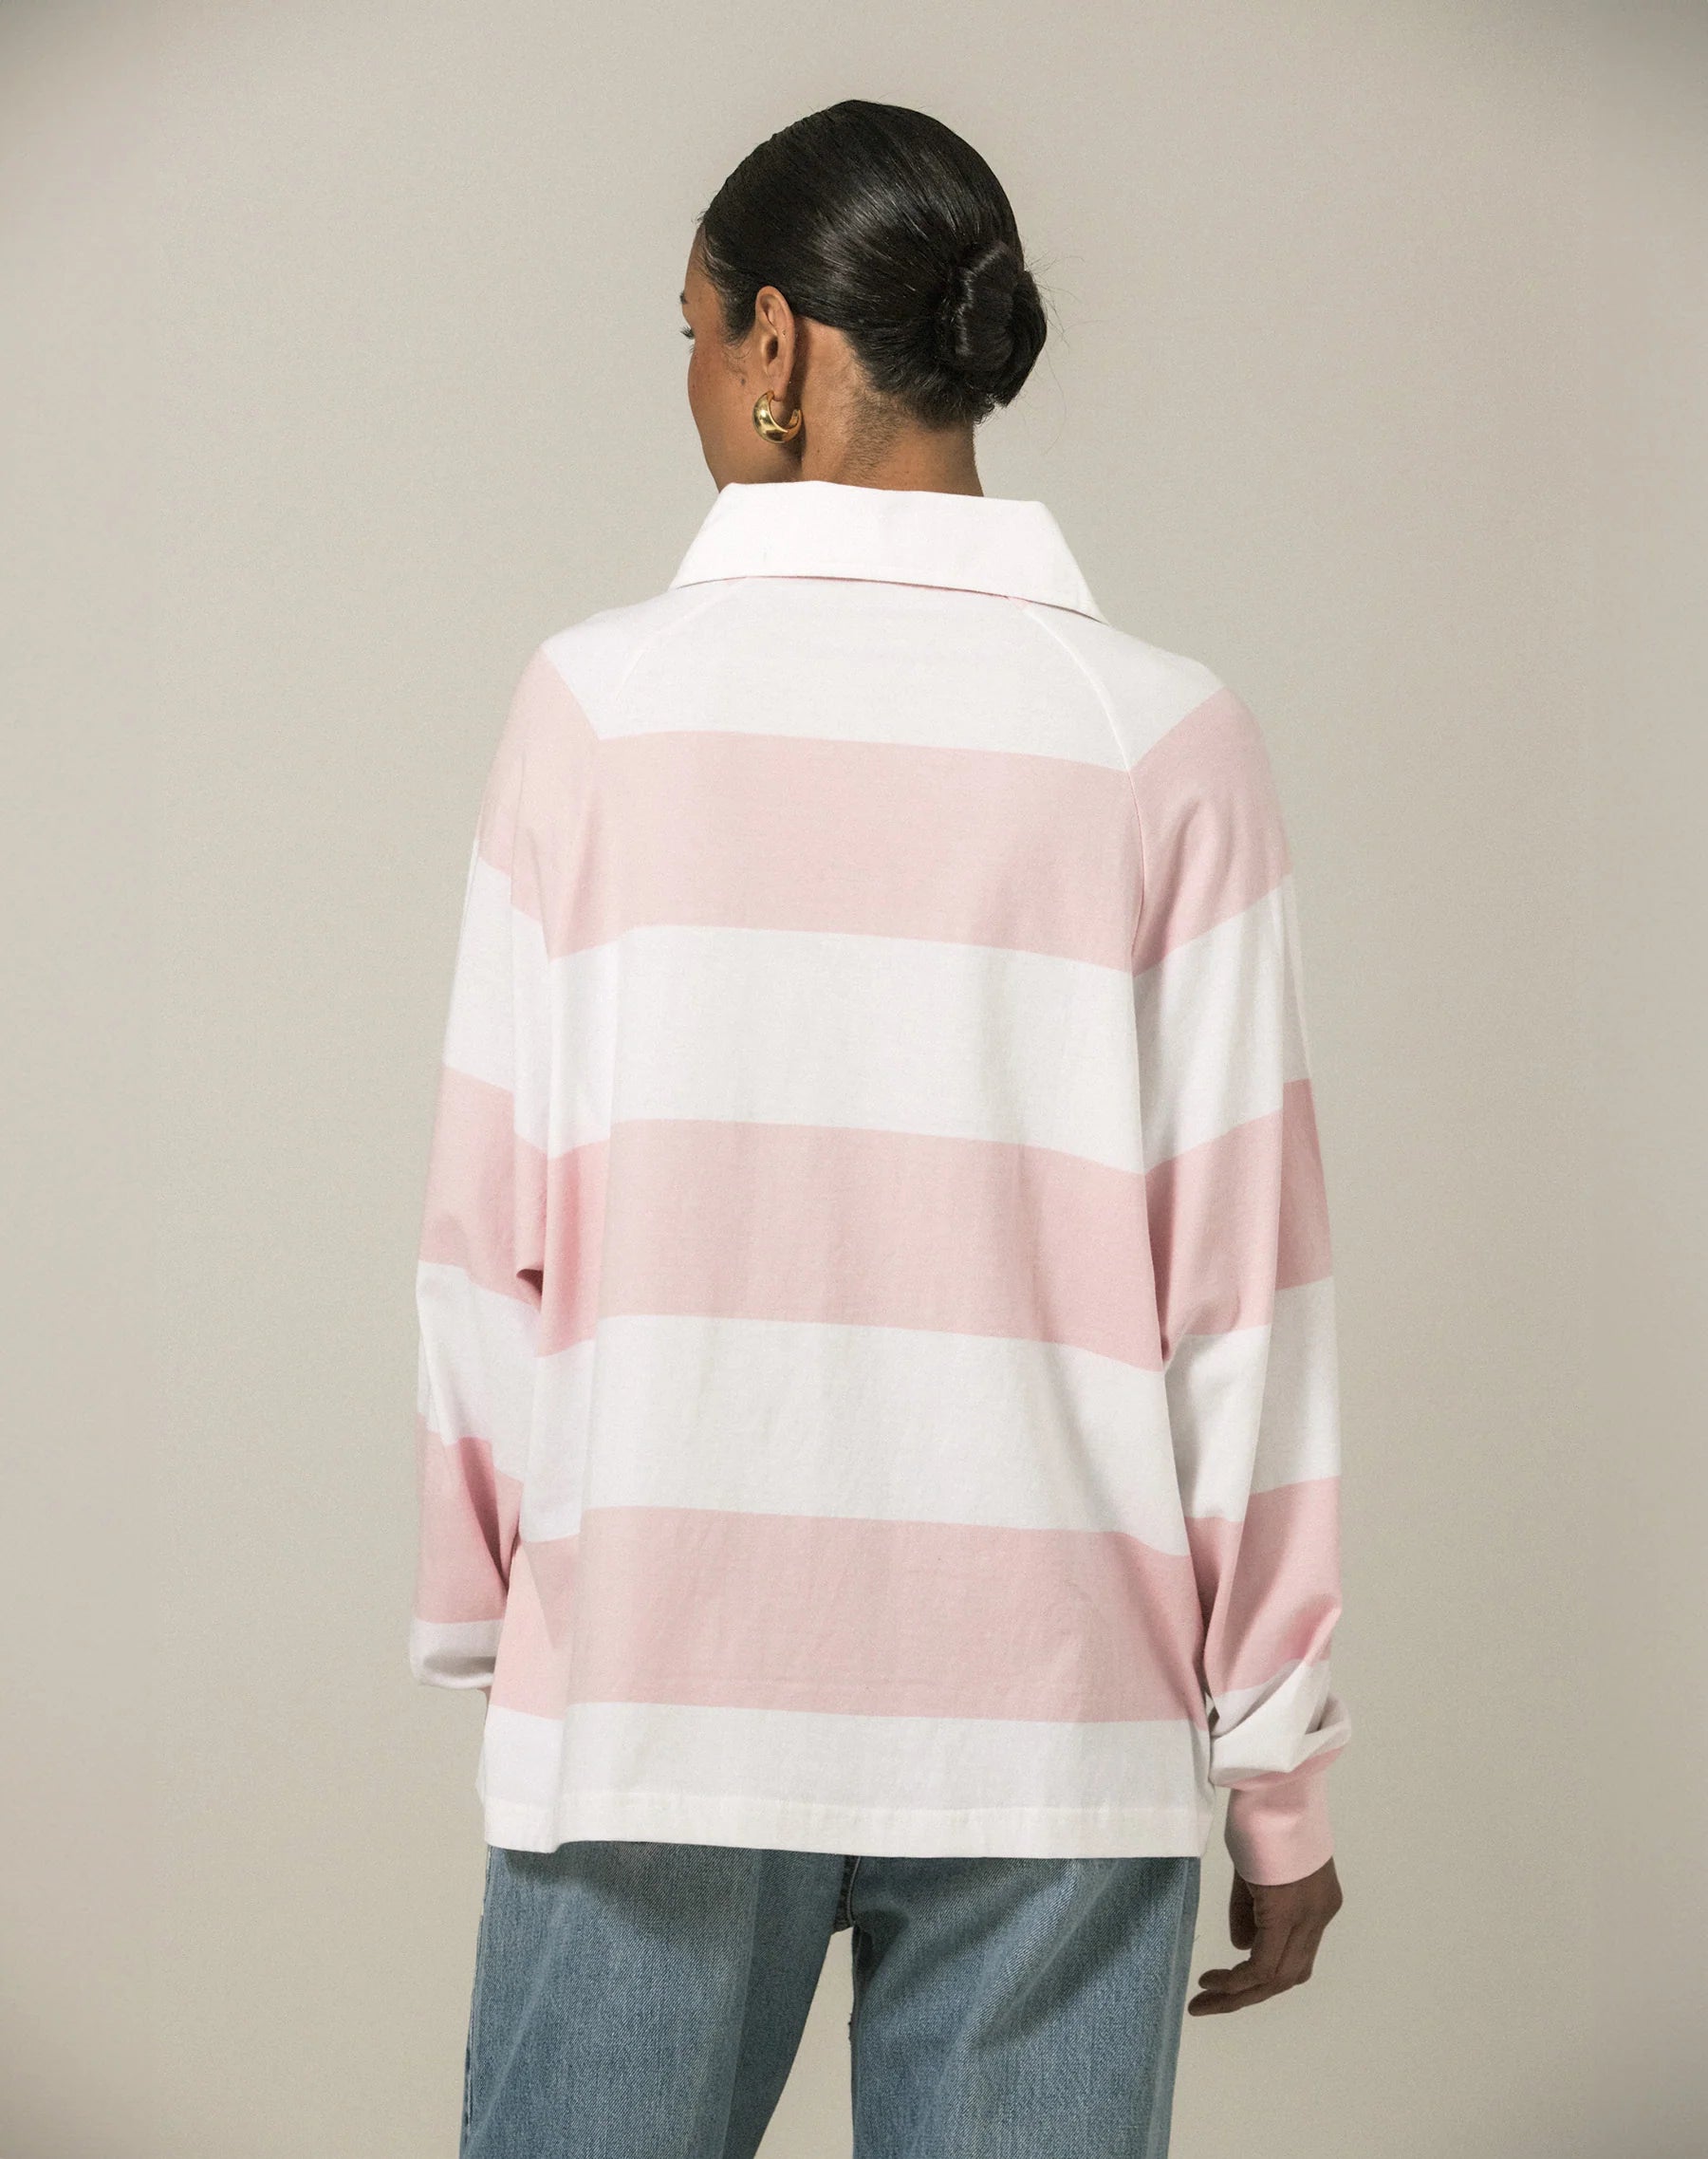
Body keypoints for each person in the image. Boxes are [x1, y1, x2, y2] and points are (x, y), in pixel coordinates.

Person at [410, 98, 1348, 2159]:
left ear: (775, 341)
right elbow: (1243, 1299)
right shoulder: (1164, 737)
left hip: (654, 1688)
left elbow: (490, 1236)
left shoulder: (597, 709)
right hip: (1057, 1730)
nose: (686, 382)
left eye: (685, 334)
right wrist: (1276, 1774)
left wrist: (505, 1634)